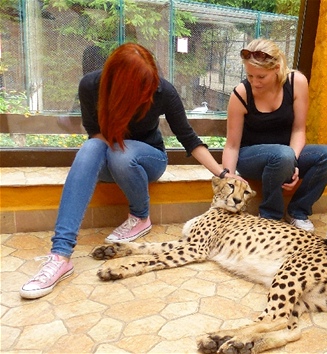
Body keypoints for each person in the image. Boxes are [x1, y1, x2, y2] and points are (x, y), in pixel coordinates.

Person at [20, 43, 237, 300]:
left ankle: (140, 216)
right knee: (92, 148)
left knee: (121, 153)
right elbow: (96, 133)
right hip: (110, 158)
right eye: (140, 90)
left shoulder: (161, 89)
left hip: (147, 160)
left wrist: (224, 174)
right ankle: (60, 256)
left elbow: (188, 138)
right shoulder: (91, 86)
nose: (147, 93)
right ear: (118, 85)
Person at [222, 38, 327, 232]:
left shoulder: (297, 82)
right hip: (251, 156)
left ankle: (298, 211)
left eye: (261, 77)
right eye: (250, 76)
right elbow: (232, 145)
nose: (254, 82)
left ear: (277, 68)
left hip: (287, 154)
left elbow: (299, 129)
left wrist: (292, 163)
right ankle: (270, 216)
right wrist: (228, 177)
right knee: (283, 154)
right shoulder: (241, 94)